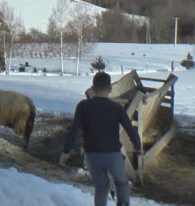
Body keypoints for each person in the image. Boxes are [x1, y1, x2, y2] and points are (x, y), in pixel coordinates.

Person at [60, 71, 142, 206]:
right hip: (113, 155)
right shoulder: (116, 108)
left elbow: (73, 130)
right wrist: (138, 147)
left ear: (92, 88)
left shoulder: (83, 106)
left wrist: (66, 151)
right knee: (121, 182)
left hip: (92, 156)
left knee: (102, 186)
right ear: (110, 90)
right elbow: (130, 129)